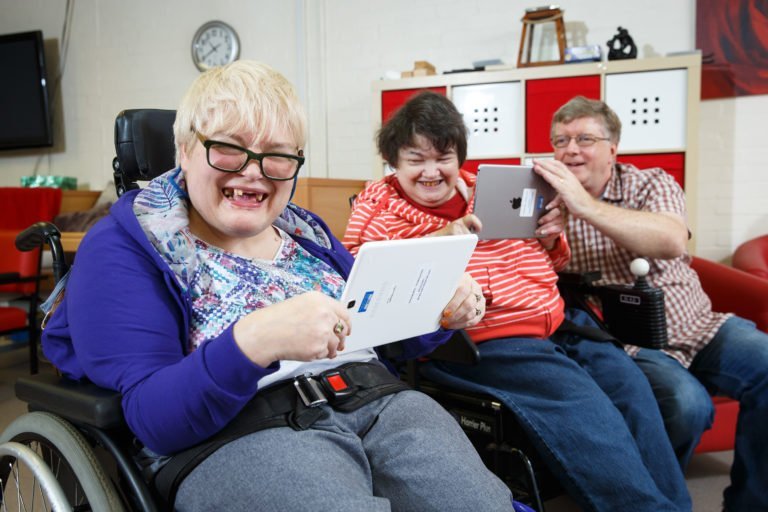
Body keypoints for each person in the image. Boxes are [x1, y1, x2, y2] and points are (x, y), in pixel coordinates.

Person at [40, 61, 516, 511]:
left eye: (278, 155)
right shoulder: (127, 244)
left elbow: (375, 333)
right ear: (183, 150)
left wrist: (437, 311)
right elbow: (154, 419)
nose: (254, 171)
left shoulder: (306, 232)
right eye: (227, 147)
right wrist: (255, 341)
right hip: (241, 432)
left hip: (378, 403)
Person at [343, 91, 692, 512]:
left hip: (557, 321)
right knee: (582, 404)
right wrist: (439, 240)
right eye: (416, 159)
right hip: (487, 337)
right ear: (393, 162)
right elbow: (360, 280)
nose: (432, 172)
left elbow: (552, 257)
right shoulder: (378, 210)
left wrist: (549, 235)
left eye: (444, 157)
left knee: (630, 385)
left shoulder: (492, 189)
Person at [535, 95, 768, 512]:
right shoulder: (544, 201)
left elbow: (671, 239)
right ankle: (652, 500)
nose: (570, 149)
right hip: (629, 341)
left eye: (584, 138)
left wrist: (584, 205)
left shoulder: (651, 183)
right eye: (560, 140)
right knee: (685, 405)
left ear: (613, 148)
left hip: (698, 325)